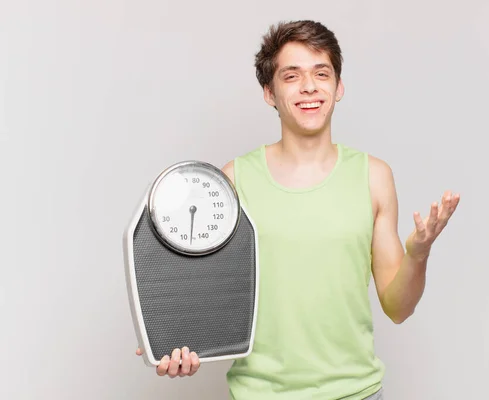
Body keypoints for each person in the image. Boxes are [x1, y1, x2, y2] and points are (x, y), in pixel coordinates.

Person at [136, 20, 460, 399]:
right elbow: (204, 292)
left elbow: (398, 307)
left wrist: (418, 255)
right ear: (269, 93)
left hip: (356, 393)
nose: (309, 86)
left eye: (321, 73)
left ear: (338, 87)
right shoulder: (233, 179)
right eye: (291, 76)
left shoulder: (374, 177)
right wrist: (173, 340)